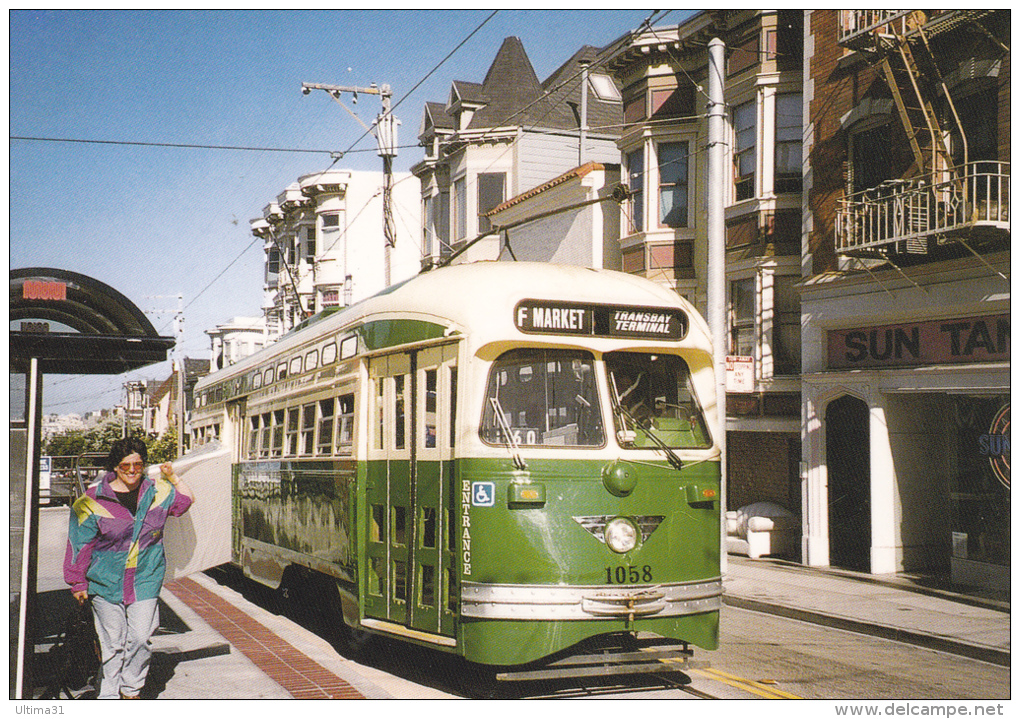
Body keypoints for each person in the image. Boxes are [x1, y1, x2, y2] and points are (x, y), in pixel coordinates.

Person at [64, 437, 194, 699]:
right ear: (115, 467)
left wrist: (173, 476)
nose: (133, 470)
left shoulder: (159, 492)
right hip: (105, 581)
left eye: (138, 464)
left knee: (141, 638)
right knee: (113, 644)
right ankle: (109, 697)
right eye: (126, 466)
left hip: (145, 578)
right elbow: (78, 544)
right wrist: (77, 583)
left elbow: (185, 502)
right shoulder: (91, 501)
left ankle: (130, 689)